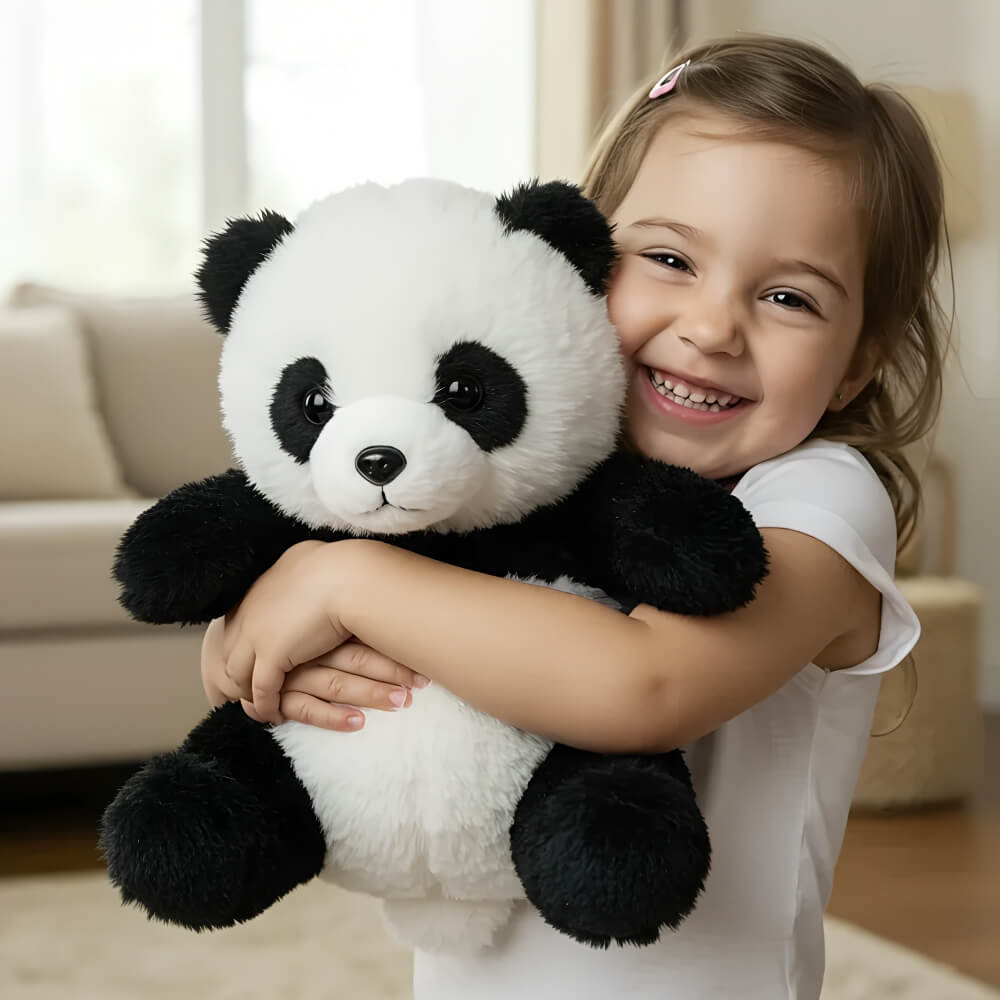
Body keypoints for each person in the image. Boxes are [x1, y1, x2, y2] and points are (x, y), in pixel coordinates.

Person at [200, 34, 949, 1000]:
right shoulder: (497, 474)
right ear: (581, 264)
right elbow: (277, 639)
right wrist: (247, 642)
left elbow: (643, 686)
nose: (715, 326)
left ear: (858, 360)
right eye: (670, 258)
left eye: (787, 296)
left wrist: (344, 582)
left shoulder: (818, 501)